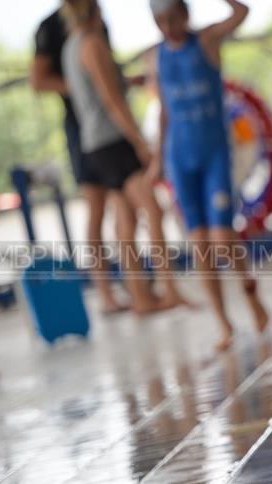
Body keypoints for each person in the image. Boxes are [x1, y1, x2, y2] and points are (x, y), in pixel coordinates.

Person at [148, 0, 269, 351]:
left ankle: (251, 295)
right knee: (200, 245)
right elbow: (164, 112)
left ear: (185, 14)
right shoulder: (156, 56)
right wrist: (157, 159)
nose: (168, 27)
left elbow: (242, 14)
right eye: (161, 22)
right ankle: (223, 324)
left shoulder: (206, 41)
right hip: (179, 159)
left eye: (173, 19)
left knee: (222, 238)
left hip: (215, 155)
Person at [61, 0, 188, 314]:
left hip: (93, 143)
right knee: (153, 211)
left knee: (125, 222)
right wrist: (140, 141)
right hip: (113, 141)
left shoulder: (70, 45)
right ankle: (169, 289)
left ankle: (142, 298)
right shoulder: (92, 42)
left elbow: (97, 89)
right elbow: (110, 97)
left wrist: (127, 81)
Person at [31, 7, 128, 313]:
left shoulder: (96, 14)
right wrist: (81, 83)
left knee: (125, 205)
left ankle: (136, 285)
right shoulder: (50, 27)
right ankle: (106, 293)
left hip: (108, 124)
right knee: (97, 207)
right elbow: (38, 80)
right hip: (81, 126)